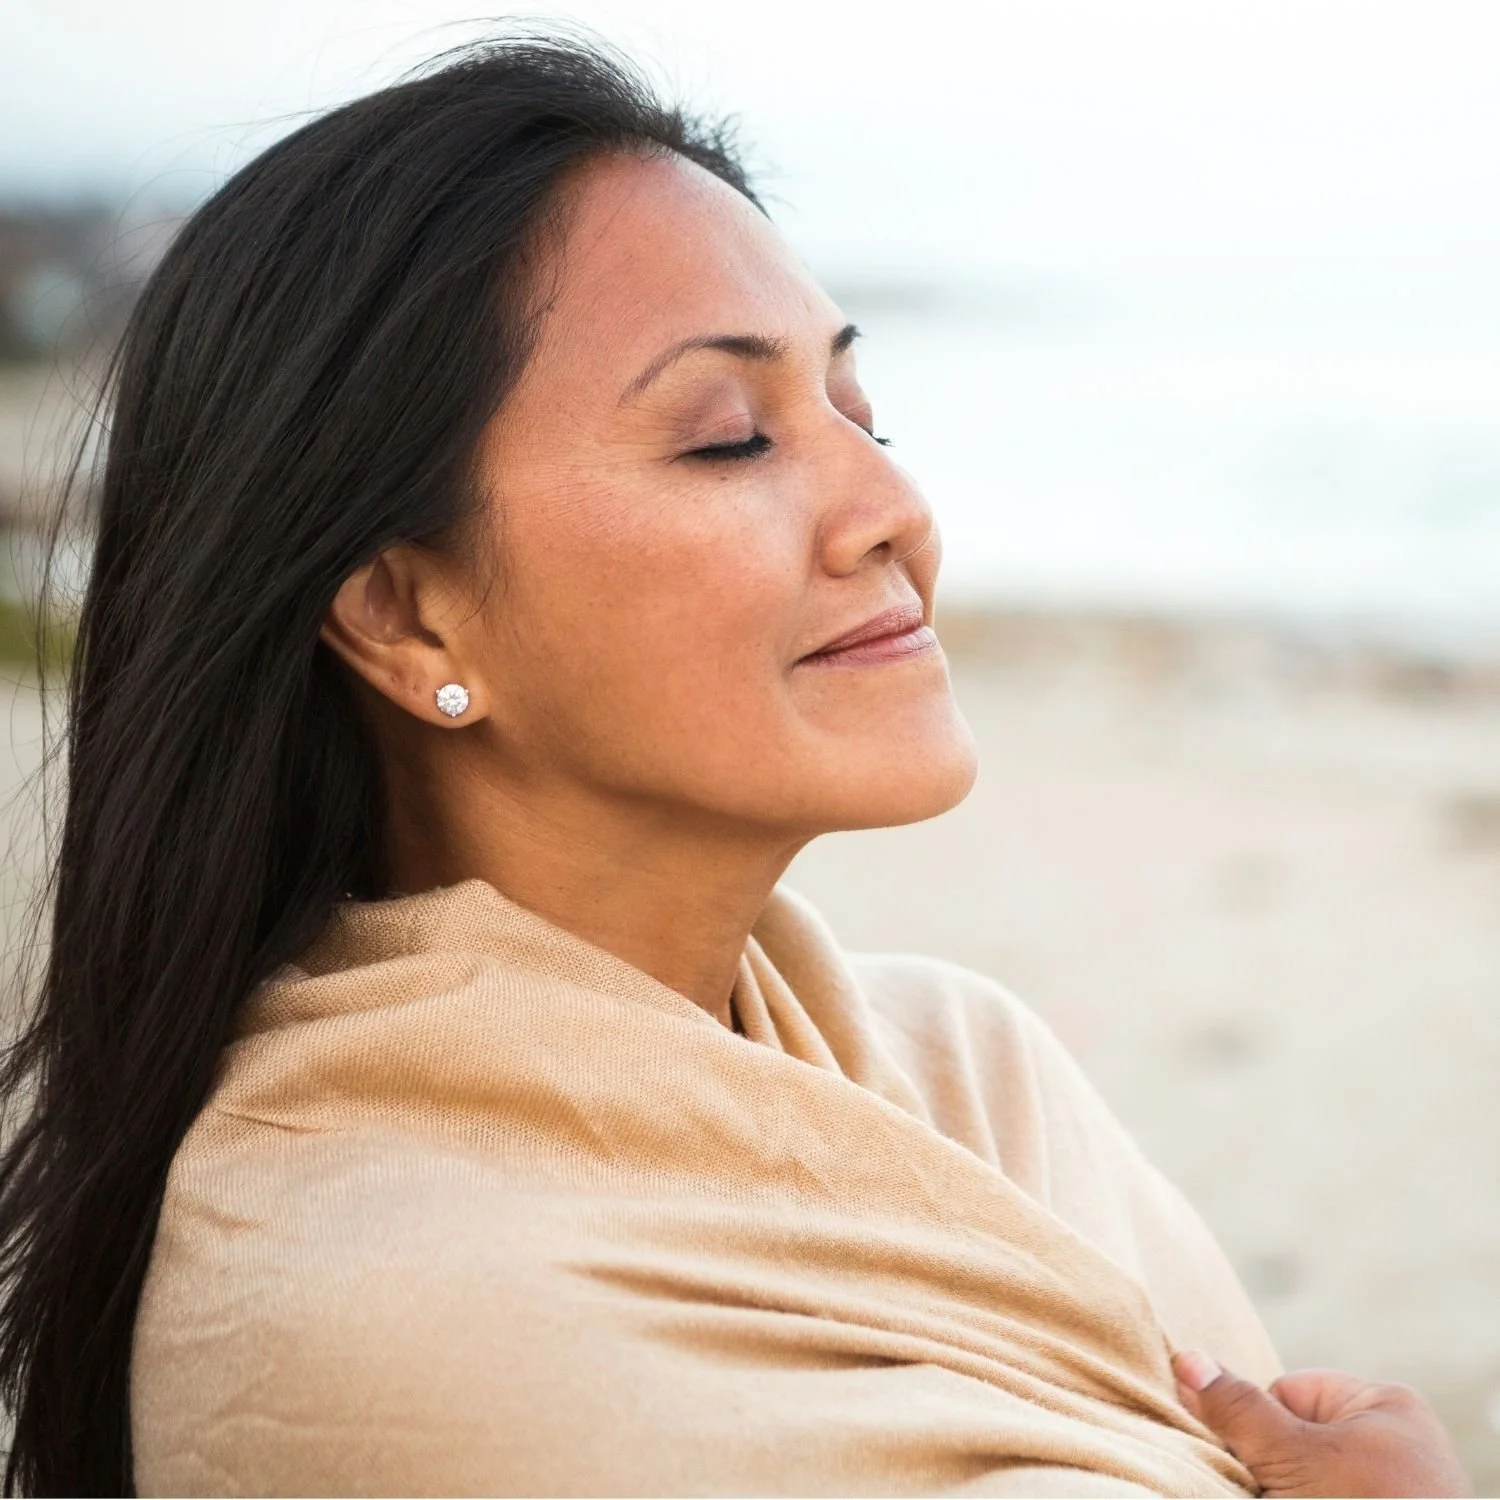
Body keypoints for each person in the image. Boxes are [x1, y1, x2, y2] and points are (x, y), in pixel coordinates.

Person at [0, 31, 1470, 1498]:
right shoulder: (369, 1304)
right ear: (402, 610)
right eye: (728, 441)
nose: (892, 506)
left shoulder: (973, 1073)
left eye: (862, 413)